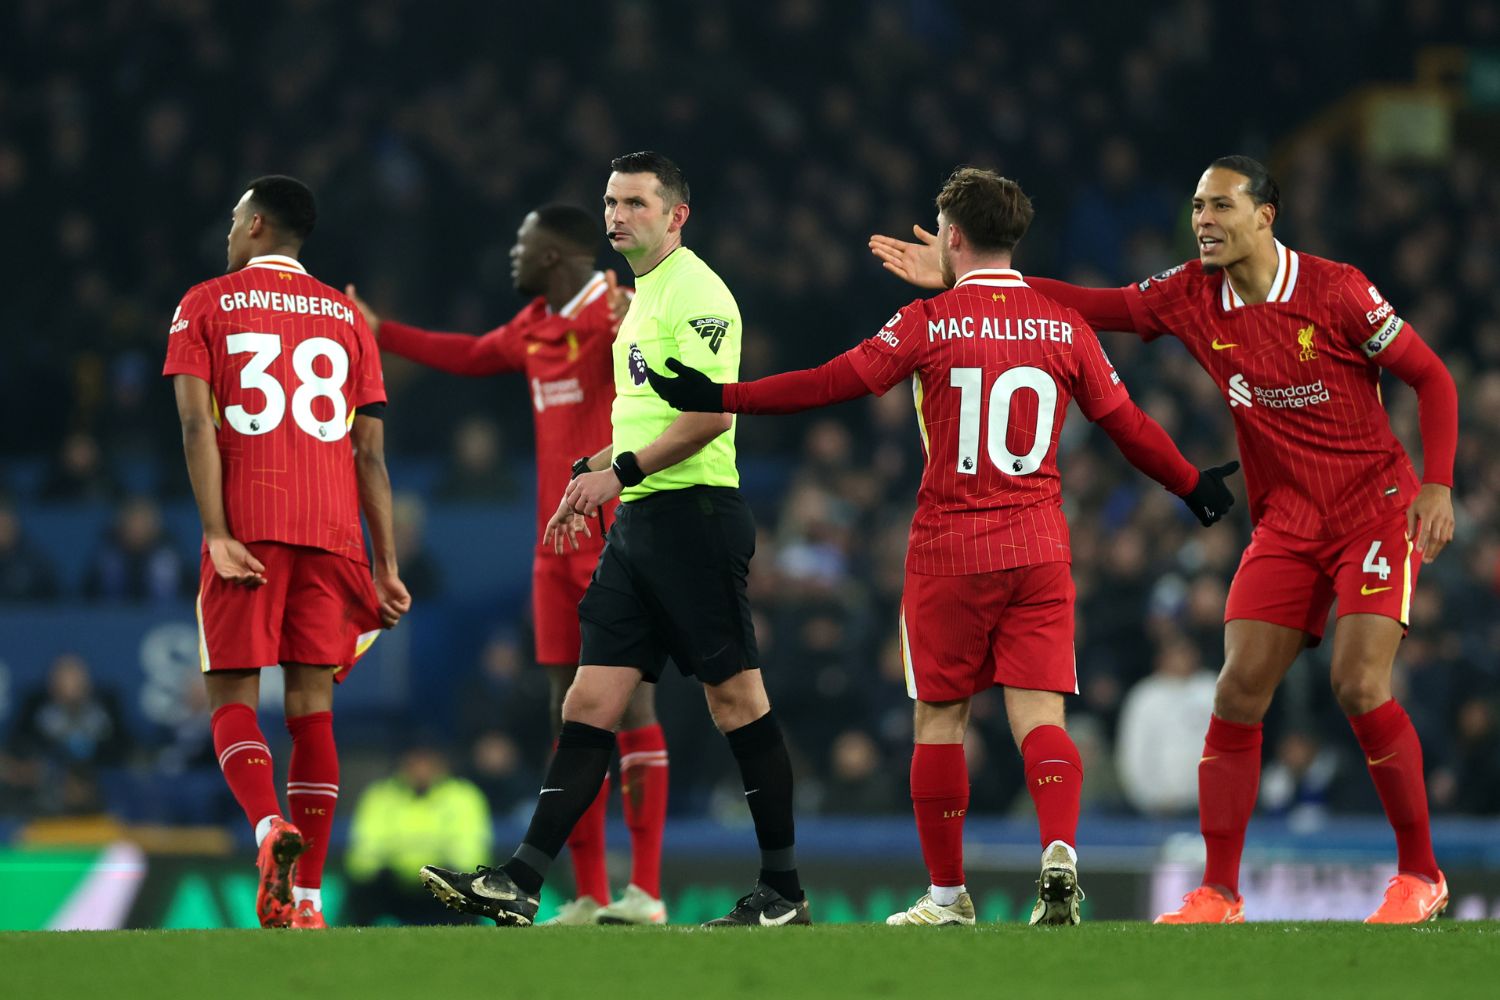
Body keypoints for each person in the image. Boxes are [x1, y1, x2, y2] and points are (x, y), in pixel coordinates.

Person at [870, 154, 1460, 924]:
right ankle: (1219, 890)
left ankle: (1421, 874)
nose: (1204, 221)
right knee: (1237, 691)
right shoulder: (1190, 294)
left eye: (1220, 206)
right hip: (1285, 522)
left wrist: (1439, 483)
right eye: (1196, 207)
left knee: (1357, 682)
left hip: (1373, 509)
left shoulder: (1337, 290)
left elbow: (1434, 379)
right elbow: (1092, 305)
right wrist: (966, 282)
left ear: (1265, 216)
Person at [647, 166, 1235, 926]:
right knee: (1041, 720)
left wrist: (722, 396)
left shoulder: (928, 323)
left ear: (953, 235)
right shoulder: (1063, 324)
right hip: (1040, 547)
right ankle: (1059, 853)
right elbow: (1129, 428)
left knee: (939, 720)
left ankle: (950, 897)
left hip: (949, 548)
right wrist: (1193, 486)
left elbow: (831, 384)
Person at [420, 150, 809, 928]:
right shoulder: (639, 299)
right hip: (639, 522)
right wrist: (589, 470)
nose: (617, 216)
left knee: (737, 700)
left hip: (695, 517)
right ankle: (522, 879)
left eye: (634, 202)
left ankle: (784, 891)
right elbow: (644, 418)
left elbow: (710, 417)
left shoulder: (699, 295)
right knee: (588, 700)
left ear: (676, 215)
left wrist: (618, 471)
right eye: (610, 202)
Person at [347, 203, 670, 925]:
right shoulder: (532, 328)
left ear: (555, 255)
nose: (512, 256)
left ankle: (644, 890)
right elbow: (465, 354)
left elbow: (667, 368)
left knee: (633, 707)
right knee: (568, 717)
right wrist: (382, 332)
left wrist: (637, 313)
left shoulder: (614, 315)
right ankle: (589, 894)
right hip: (551, 548)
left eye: (523, 245)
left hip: (618, 542)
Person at [163, 175, 411, 930]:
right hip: (334, 531)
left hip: (251, 524)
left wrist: (215, 532)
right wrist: (386, 565)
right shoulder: (346, 317)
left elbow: (197, 427)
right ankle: (307, 902)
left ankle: (271, 829)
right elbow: (370, 455)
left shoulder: (204, 302)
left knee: (233, 702)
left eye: (236, 218)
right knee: (313, 713)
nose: (229, 231)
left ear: (259, 224)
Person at [345, 741, 492, 926]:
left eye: (427, 761)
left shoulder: (464, 796)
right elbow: (364, 853)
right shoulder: (380, 795)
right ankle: (361, 945)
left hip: (443, 883)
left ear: (441, 763)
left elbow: (470, 851)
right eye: (415, 761)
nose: (421, 768)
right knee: (361, 891)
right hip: (392, 884)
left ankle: (466, 948)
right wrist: (398, 868)